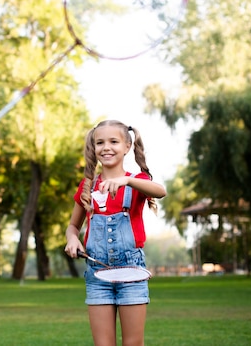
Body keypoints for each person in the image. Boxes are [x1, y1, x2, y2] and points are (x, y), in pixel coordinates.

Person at [64, 120, 166, 346]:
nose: (106, 147)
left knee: (133, 343)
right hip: (97, 274)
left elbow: (161, 191)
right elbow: (73, 226)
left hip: (131, 273)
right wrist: (72, 239)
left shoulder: (137, 182)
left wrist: (127, 180)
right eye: (100, 142)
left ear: (127, 146)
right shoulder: (87, 187)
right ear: (94, 148)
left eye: (113, 141)